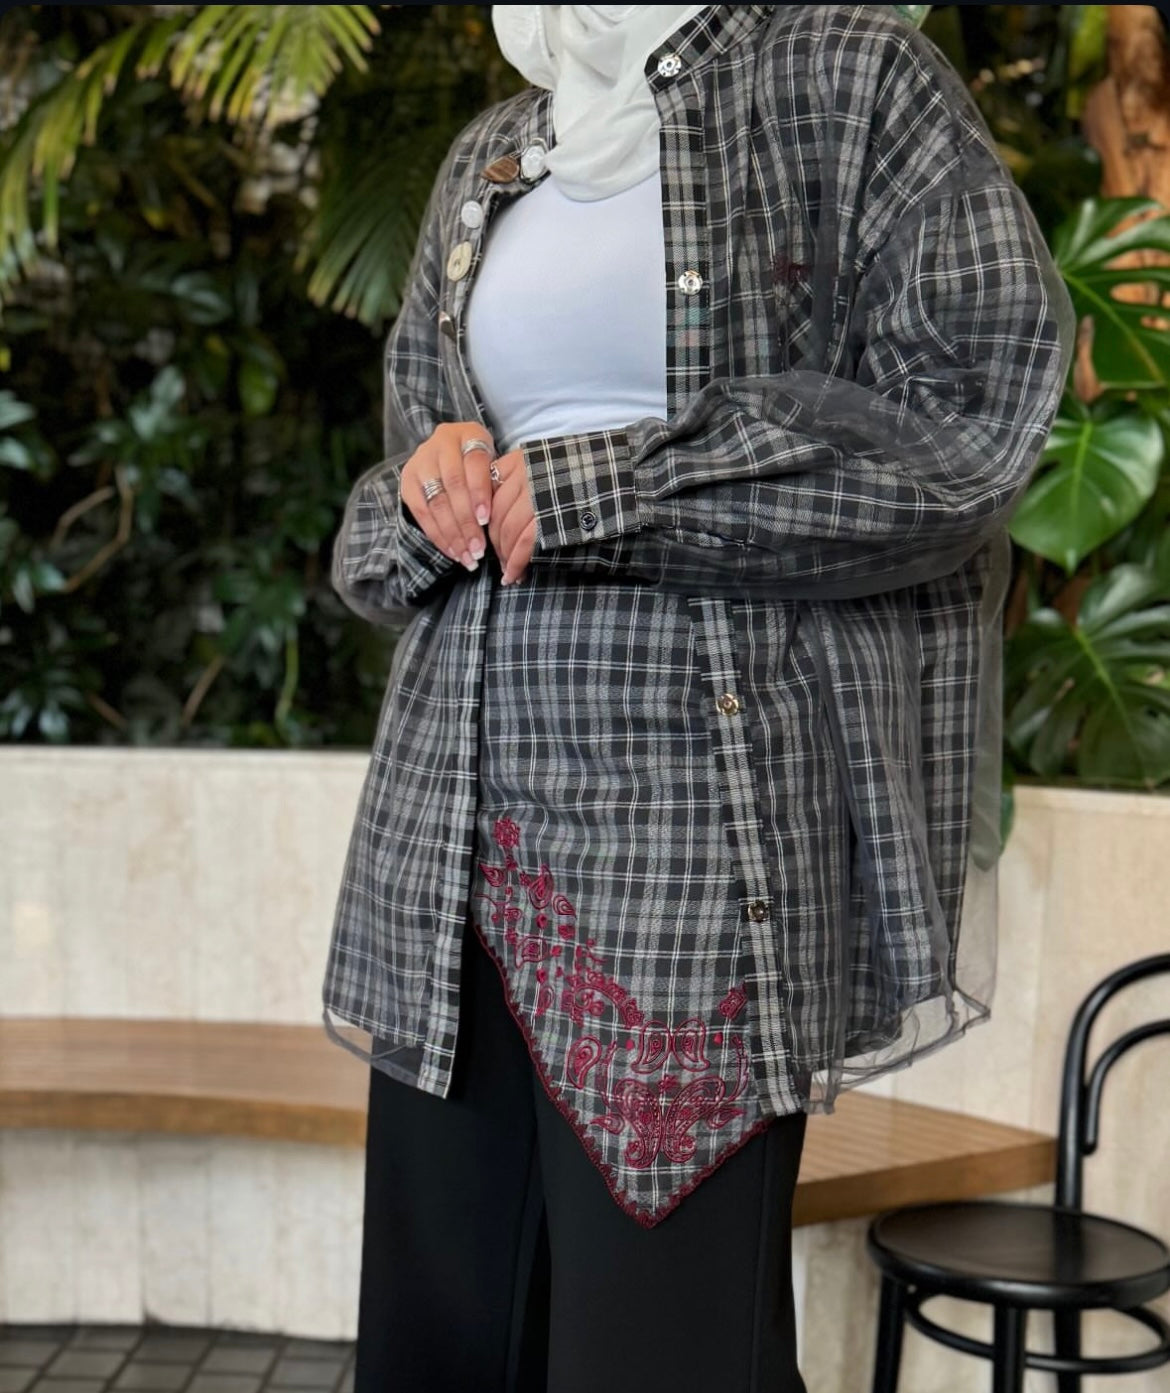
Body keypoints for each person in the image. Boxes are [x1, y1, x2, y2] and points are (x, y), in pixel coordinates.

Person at [320, 5, 1078, 1391]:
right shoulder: (497, 149)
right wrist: (425, 491)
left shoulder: (849, 78)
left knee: (659, 1354)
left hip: (694, 834)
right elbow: (391, 505)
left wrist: (615, 486)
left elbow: (971, 426)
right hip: (448, 841)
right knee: (438, 1349)